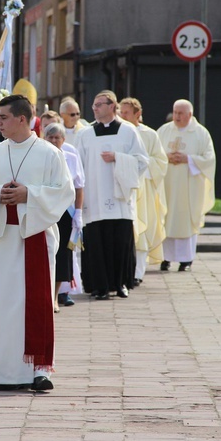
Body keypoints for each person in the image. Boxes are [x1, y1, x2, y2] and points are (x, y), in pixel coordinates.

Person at [0, 94, 74, 391]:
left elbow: (64, 192)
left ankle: (40, 369)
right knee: (5, 306)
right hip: (3, 239)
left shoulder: (49, 154)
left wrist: (30, 195)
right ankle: (8, 372)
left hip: (35, 236)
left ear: (22, 119)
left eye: (2, 117)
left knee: (36, 302)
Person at [76, 90, 149, 299]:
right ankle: (99, 286)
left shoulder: (128, 132)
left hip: (120, 199)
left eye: (99, 104)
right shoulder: (85, 134)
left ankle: (120, 284)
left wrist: (118, 158)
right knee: (97, 243)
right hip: (94, 198)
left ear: (112, 106)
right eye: (94, 105)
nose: (95, 108)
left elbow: (142, 161)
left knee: (120, 243)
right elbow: (78, 167)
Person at [157, 99, 215, 272]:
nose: (177, 116)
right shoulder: (164, 130)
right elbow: (154, 153)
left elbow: (210, 158)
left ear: (190, 114)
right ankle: (165, 258)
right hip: (167, 185)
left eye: (181, 113)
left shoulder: (201, 133)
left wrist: (188, 159)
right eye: (175, 112)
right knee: (166, 219)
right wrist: (166, 157)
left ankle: (186, 259)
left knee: (186, 220)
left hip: (189, 187)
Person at [119, 97, 168, 284]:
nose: (122, 116)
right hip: (123, 188)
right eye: (120, 112)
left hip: (144, 189)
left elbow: (161, 161)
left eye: (126, 113)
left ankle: (138, 273)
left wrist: (140, 166)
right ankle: (125, 271)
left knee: (142, 230)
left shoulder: (149, 134)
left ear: (137, 114)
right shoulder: (119, 132)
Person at [44, 123, 84, 310]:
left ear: (63, 140)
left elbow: (79, 186)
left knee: (63, 255)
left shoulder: (72, 157)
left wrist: (78, 212)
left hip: (66, 213)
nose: (53, 140)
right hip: (46, 210)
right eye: (50, 137)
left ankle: (55, 296)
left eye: (57, 137)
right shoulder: (40, 157)